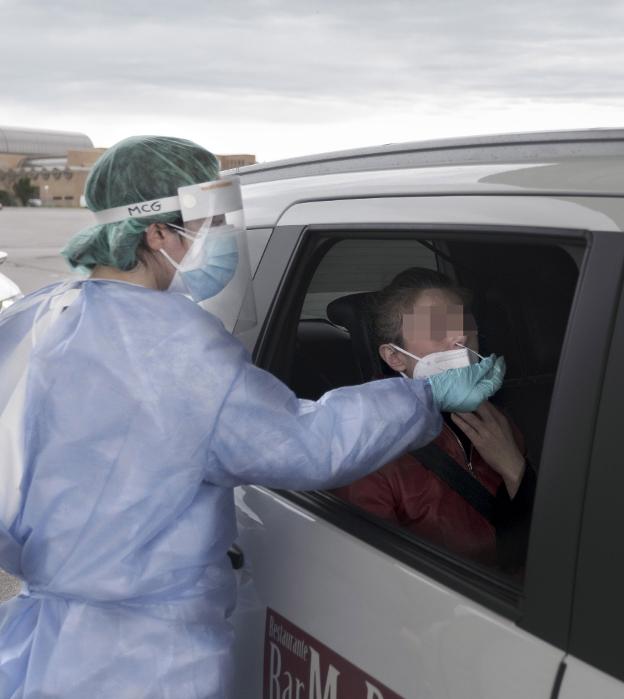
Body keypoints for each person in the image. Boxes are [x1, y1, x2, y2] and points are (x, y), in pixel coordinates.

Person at [0, 137, 505, 699]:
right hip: (144, 661)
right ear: (157, 232)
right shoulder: (175, 344)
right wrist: (423, 396)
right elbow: (304, 446)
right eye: (208, 222)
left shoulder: (36, 316)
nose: (219, 239)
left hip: (45, 645)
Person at [334, 267, 535, 571]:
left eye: (466, 327)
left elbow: (542, 540)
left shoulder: (497, 421)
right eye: (438, 330)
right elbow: (376, 577)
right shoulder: (368, 446)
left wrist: (515, 469)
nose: (460, 338)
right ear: (395, 357)